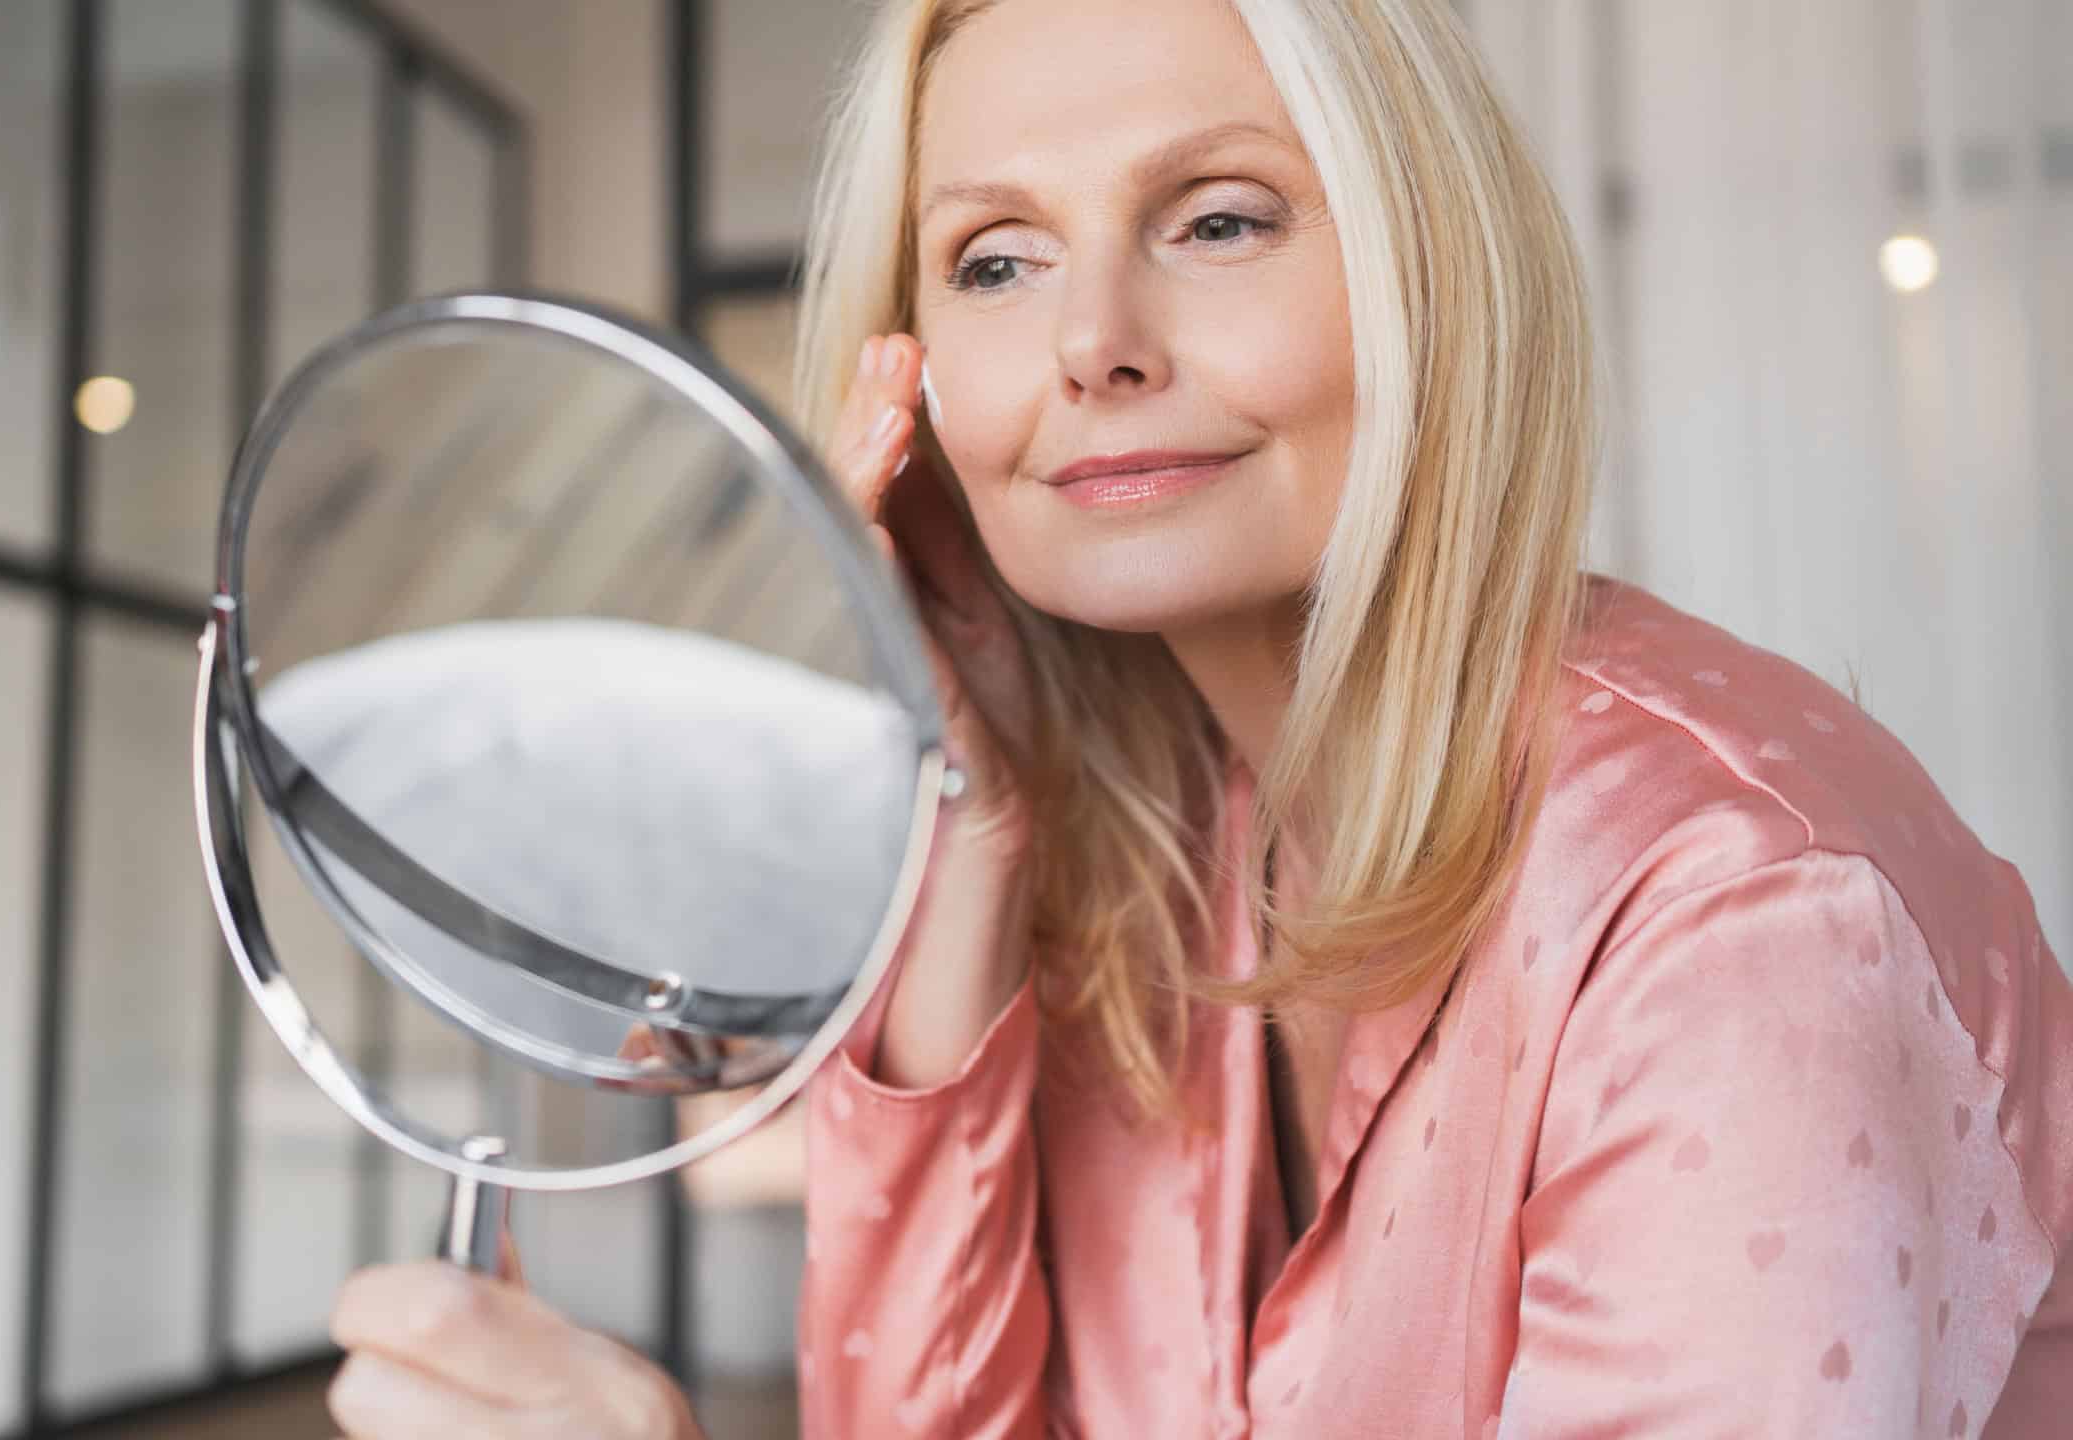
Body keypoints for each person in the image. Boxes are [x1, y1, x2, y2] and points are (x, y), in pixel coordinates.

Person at [319, 0, 2073, 1434]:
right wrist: (972, 839)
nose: (1093, 340)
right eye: (994, 261)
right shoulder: (1146, 867)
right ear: (909, 371)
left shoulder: (1736, 918)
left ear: (1426, 278)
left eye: (1219, 220)